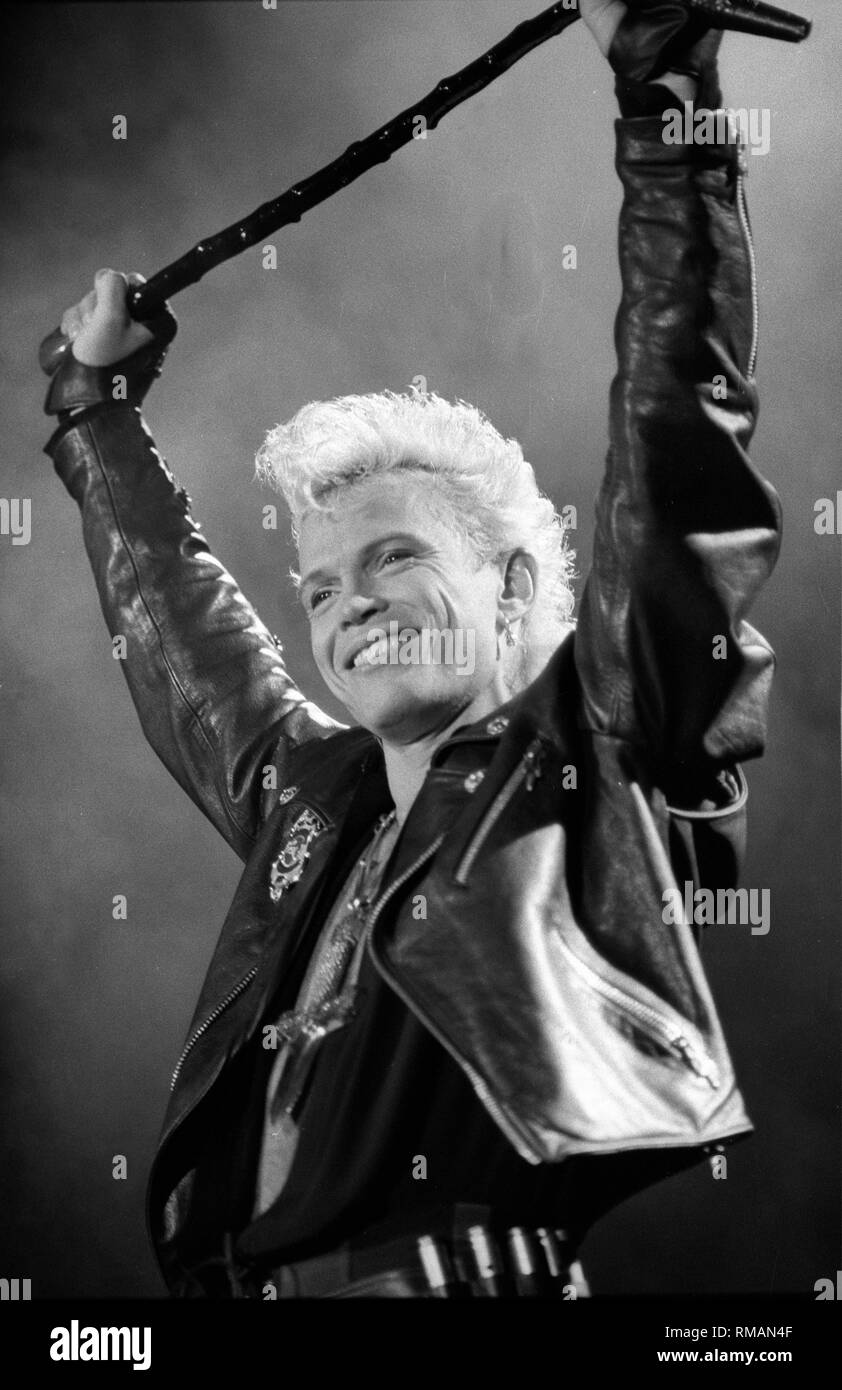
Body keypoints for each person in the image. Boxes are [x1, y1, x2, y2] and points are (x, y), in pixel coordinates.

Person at [42, 0, 781, 1298]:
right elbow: (174, 627)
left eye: (392, 556)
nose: (347, 606)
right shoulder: (304, 806)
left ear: (506, 583)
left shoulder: (597, 748)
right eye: (320, 584)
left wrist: (663, 93)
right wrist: (96, 414)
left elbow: (677, 437)